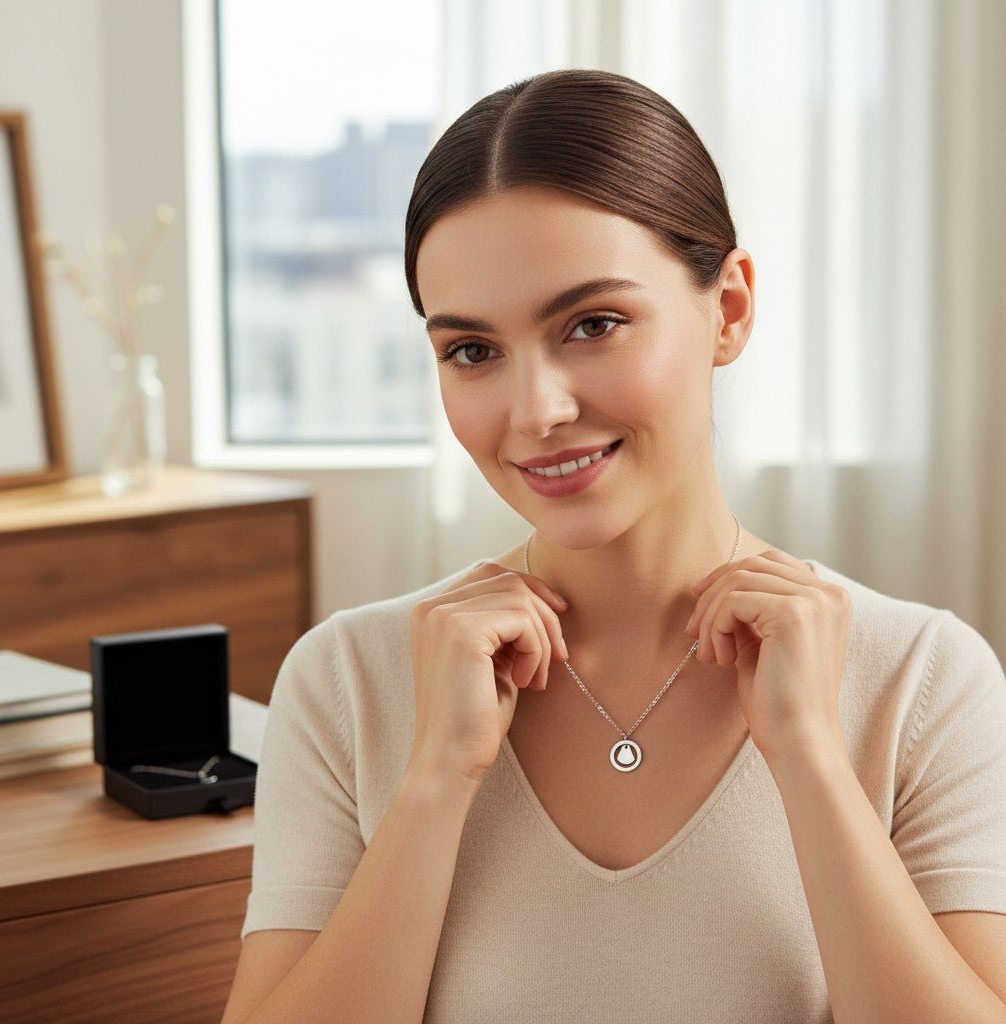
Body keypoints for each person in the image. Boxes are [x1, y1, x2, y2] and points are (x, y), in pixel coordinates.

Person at [221, 69, 1006, 1024]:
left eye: (593, 325)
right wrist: (433, 781)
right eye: (471, 350)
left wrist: (808, 754)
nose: (536, 411)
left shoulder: (921, 679)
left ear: (729, 309)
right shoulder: (348, 679)